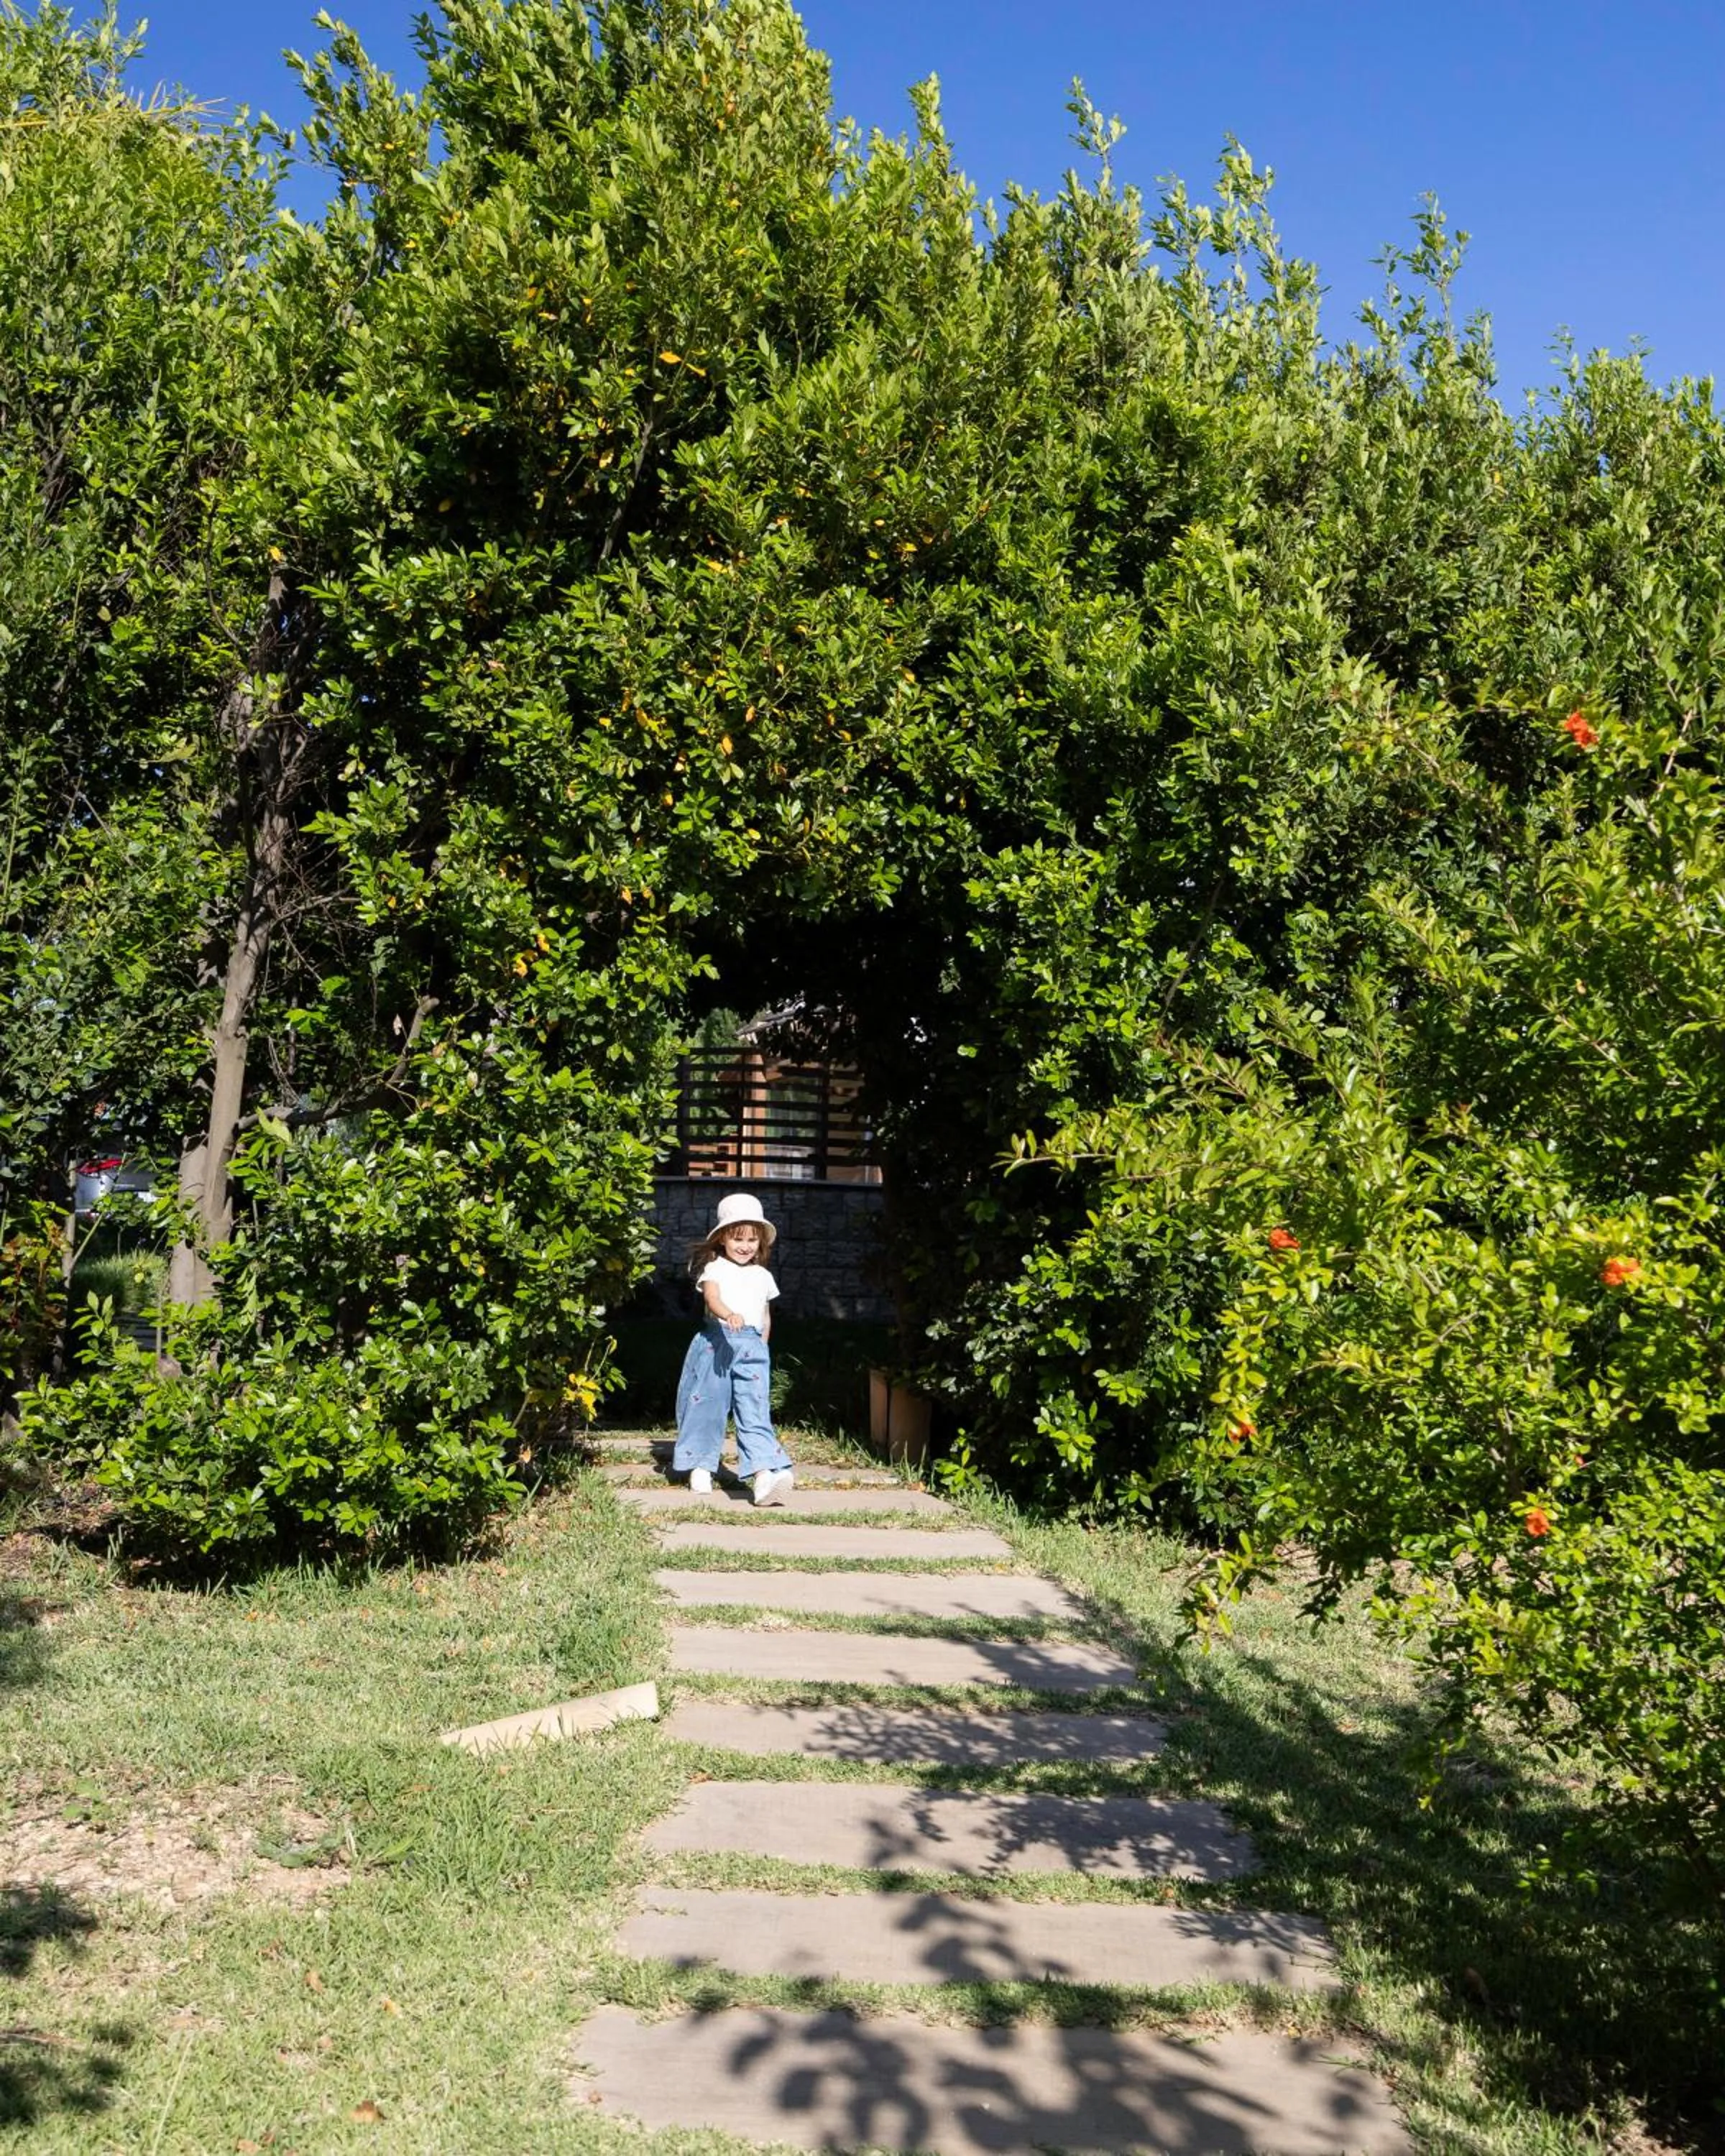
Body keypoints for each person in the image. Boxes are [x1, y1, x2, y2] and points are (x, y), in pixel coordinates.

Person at [672, 1192, 796, 1506]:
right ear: (723, 1239)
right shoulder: (715, 1269)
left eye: (752, 1240)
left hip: (752, 1347)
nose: (745, 1246)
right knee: (707, 1405)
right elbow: (711, 1299)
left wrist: (762, 1348)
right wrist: (728, 1314)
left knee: (754, 1409)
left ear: (761, 1243)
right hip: (718, 1342)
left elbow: (765, 1316)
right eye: (738, 1238)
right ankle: (700, 1466)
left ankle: (764, 1475)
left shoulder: (763, 1275)